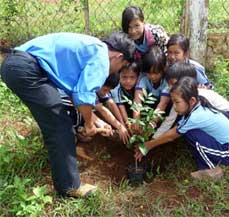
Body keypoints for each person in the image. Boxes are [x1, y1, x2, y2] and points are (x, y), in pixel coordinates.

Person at [0, 32, 135, 197]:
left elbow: (74, 92)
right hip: (26, 69)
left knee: (57, 122)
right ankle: (69, 187)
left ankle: (65, 180)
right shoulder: (101, 58)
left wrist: (93, 120)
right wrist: (89, 124)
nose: (116, 70)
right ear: (118, 57)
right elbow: (83, 95)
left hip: (19, 65)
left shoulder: (92, 47)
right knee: (60, 126)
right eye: (121, 67)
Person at [135, 77, 229, 180]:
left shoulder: (196, 116)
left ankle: (211, 169)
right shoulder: (195, 109)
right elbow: (177, 128)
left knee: (193, 135)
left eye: (177, 102)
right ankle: (205, 164)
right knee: (191, 133)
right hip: (223, 145)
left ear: (192, 100)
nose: (175, 107)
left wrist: (148, 145)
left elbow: (172, 135)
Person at [154, 62, 229, 138]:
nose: (169, 87)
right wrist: (155, 137)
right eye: (169, 84)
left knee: (189, 128)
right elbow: (170, 119)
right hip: (218, 116)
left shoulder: (200, 96)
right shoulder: (182, 96)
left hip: (228, 116)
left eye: (173, 84)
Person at [133, 46, 170, 129]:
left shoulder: (167, 80)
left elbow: (163, 104)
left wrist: (151, 125)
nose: (152, 77)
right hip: (151, 106)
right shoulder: (143, 77)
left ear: (164, 69)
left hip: (165, 108)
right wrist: (136, 121)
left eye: (156, 73)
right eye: (149, 73)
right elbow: (137, 101)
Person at [111, 62, 140, 127]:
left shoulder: (140, 86)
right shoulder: (116, 87)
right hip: (120, 107)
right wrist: (128, 123)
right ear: (119, 75)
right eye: (124, 77)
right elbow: (121, 106)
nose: (128, 81)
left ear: (137, 77)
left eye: (132, 77)